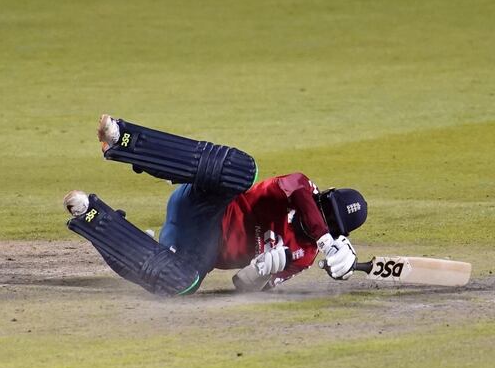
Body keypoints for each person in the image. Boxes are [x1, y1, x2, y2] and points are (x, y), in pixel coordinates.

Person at [63, 115, 365, 295]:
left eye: (330, 220)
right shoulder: (299, 191)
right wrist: (326, 239)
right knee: (243, 169)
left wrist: (260, 272)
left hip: (197, 250)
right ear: (323, 194)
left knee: (182, 284)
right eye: (324, 206)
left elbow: (242, 286)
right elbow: (299, 184)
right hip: (205, 205)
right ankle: (126, 139)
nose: (321, 215)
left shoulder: (305, 256)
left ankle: (94, 219)